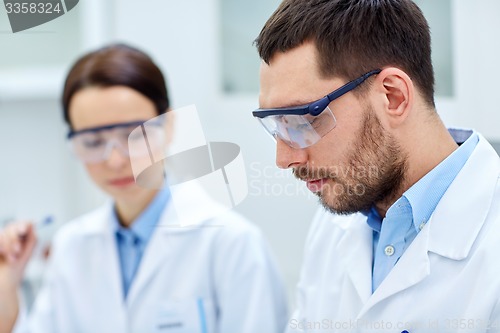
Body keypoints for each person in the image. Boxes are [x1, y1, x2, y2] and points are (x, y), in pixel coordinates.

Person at [0, 43, 287, 333]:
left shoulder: (232, 244)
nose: (114, 160)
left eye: (133, 135)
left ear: (170, 124)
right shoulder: (71, 247)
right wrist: (6, 289)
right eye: (93, 142)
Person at [252, 0, 500, 332]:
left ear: (393, 96)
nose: (285, 159)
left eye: (300, 121)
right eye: (276, 127)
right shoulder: (332, 226)